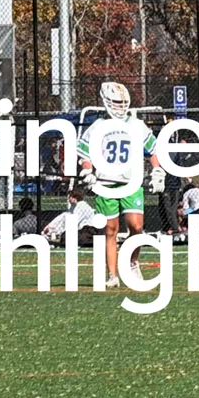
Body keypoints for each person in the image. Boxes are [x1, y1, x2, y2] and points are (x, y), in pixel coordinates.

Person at [77, 82, 165, 286]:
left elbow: (152, 150)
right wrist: (88, 170)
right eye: (115, 103)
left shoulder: (136, 125)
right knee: (110, 230)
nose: (119, 107)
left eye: (122, 103)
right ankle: (112, 275)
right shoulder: (97, 127)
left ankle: (133, 262)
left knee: (136, 226)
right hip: (106, 183)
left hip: (130, 182)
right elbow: (85, 154)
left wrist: (157, 171)